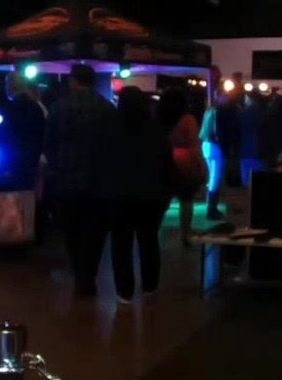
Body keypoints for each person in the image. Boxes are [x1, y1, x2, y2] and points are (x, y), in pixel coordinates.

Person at [44, 64, 116, 297]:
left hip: (67, 180)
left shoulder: (59, 107)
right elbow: (113, 146)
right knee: (95, 232)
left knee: (72, 230)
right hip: (98, 182)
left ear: (72, 80)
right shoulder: (106, 108)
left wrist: (57, 167)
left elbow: (48, 144)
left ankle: (79, 273)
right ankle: (89, 275)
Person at [108, 86, 172, 303]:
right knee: (149, 240)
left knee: (121, 243)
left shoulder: (112, 127)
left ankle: (124, 291)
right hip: (150, 194)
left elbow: (103, 160)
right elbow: (166, 163)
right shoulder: (156, 129)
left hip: (120, 194)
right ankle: (150, 285)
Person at [160, 87, 206, 247]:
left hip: (164, 159)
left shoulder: (158, 118)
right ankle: (185, 233)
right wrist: (201, 165)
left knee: (163, 199)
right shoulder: (188, 119)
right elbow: (193, 142)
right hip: (186, 162)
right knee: (186, 199)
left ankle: (154, 228)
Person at [199, 84, 226, 220]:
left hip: (205, 144)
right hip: (214, 145)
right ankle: (211, 209)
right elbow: (217, 130)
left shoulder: (208, 110)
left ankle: (210, 206)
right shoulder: (218, 111)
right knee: (215, 176)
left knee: (212, 175)